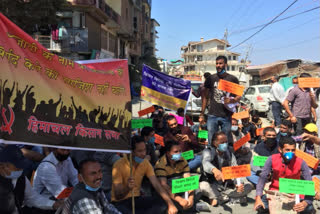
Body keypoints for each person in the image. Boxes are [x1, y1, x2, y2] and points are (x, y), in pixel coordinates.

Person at [111, 136, 178, 214]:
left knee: (162, 203)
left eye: (144, 150)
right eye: (139, 151)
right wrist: (127, 188)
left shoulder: (145, 163)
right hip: (121, 202)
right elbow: (117, 195)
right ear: (131, 152)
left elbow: (157, 185)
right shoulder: (118, 165)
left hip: (137, 199)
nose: (143, 154)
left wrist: (170, 204)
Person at [254, 136, 314, 214]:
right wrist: (258, 197)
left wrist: (306, 202)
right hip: (275, 191)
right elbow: (262, 178)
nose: (290, 152)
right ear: (280, 149)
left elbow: (309, 183)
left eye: (293, 150)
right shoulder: (271, 159)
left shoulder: (301, 162)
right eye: (287, 150)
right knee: (261, 206)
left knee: (309, 208)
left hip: (294, 193)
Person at [0, 145, 62, 213]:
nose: (20, 169)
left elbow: (32, 198)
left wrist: (53, 204)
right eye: (17, 167)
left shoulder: (21, 179)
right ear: (3, 166)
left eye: (22, 166)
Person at [200, 131, 252, 207]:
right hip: (211, 182)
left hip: (225, 183)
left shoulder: (229, 153)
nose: (225, 144)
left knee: (246, 184)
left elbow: (235, 169)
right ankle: (219, 197)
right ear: (215, 143)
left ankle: (226, 196)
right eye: (222, 142)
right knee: (203, 186)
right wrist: (214, 170)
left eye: (226, 142)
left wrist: (238, 183)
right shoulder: (208, 151)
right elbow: (205, 163)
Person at [201, 55, 241, 144]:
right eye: (217, 64)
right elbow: (205, 97)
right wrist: (202, 113)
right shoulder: (211, 79)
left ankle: (225, 156)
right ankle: (213, 156)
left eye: (220, 63)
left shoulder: (232, 79)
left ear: (225, 65)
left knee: (225, 140)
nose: (218, 65)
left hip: (226, 116)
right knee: (212, 139)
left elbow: (239, 96)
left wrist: (232, 100)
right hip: (212, 115)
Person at [154, 140, 195, 212]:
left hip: (181, 188)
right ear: (168, 153)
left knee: (198, 188)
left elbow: (188, 180)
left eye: (180, 151)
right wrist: (180, 200)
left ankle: (185, 205)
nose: (179, 153)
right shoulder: (160, 164)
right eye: (176, 152)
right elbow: (164, 186)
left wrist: (191, 198)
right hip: (170, 192)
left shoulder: (182, 160)